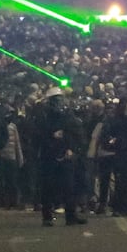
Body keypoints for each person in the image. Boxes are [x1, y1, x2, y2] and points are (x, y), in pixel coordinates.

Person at [36, 89, 85, 227]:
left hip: (65, 155)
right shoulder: (43, 116)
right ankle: (47, 216)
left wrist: (71, 148)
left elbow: (76, 133)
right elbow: (37, 135)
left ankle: (71, 216)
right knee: (48, 187)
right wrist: (51, 136)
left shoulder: (68, 115)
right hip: (49, 155)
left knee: (69, 186)